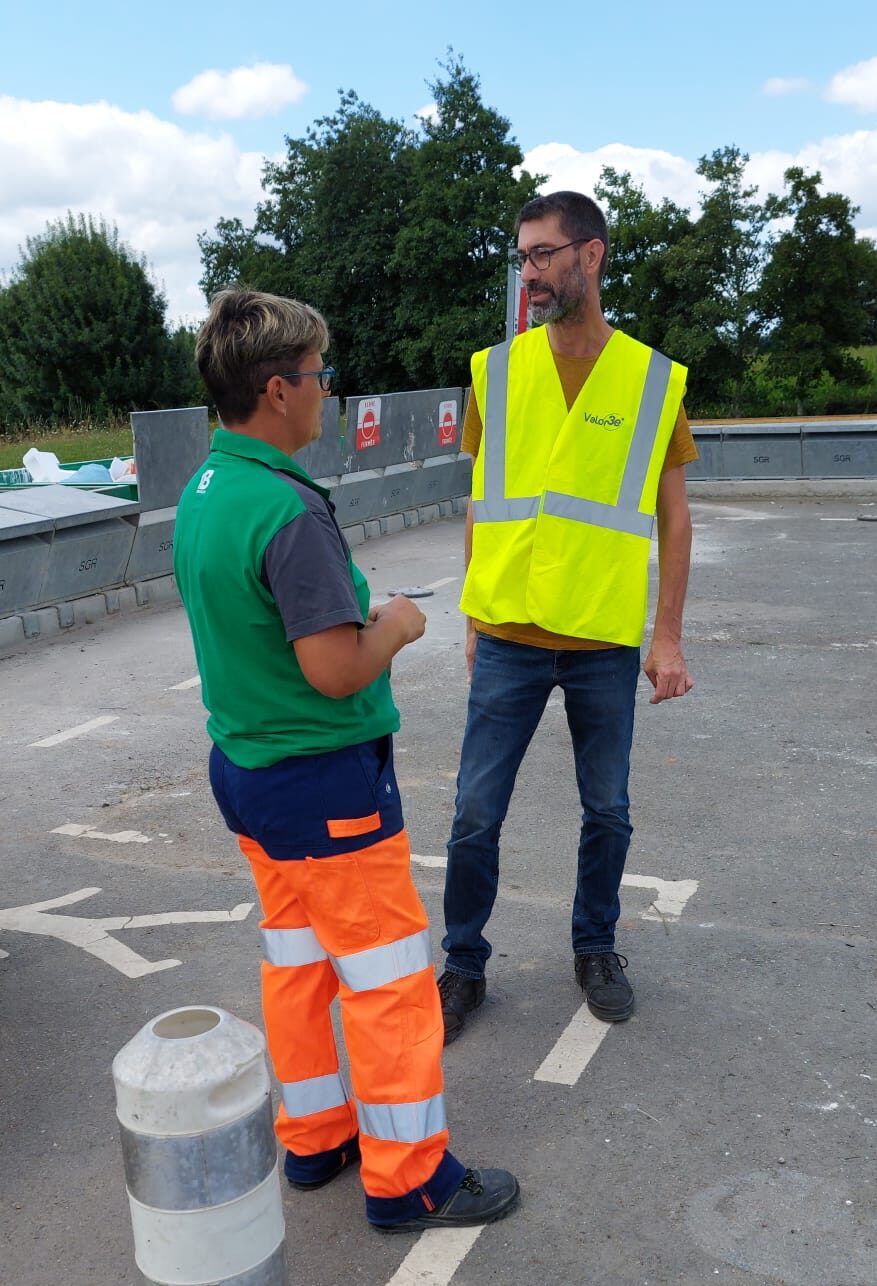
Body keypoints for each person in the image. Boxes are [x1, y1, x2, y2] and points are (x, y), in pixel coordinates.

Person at [173, 289, 518, 1233]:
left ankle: (317, 1136)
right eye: (320, 375)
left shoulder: (209, 490)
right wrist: (398, 624)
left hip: (249, 772)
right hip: (325, 783)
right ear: (279, 389)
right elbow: (333, 670)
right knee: (389, 981)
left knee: (297, 964)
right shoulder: (287, 509)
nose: (329, 391)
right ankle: (410, 1179)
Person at [439, 192, 695, 1043]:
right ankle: (464, 964)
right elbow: (482, 500)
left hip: (601, 639)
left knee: (608, 811)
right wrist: (473, 611)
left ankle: (596, 948)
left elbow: (674, 512)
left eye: (544, 254)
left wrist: (667, 636)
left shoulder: (653, 381)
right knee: (476, 811)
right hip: (509, 632)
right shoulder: (495, 370)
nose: (530, 273)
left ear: (592, 256)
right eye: (522, 257)